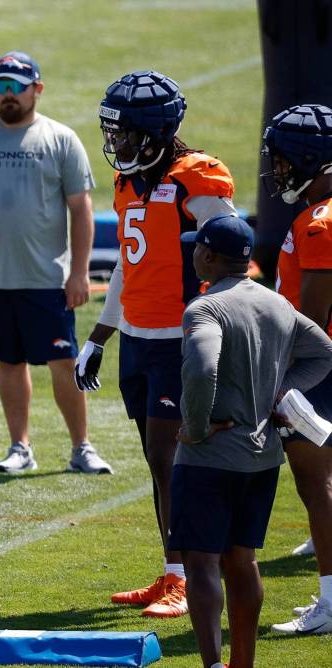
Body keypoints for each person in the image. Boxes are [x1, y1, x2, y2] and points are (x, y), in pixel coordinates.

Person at [76, 70, 238, 618]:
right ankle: (173, 571)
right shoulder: (130, 183)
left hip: (183, 339)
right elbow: (129, 260)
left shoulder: (197, 178)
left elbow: (232, 257)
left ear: (152, 131)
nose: (114, 141)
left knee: (175, 461)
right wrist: (101, 334)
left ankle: (192, 577)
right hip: (141, 338)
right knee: (157, 459)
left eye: (122, 132)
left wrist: (213, 329)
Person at [172, 214, 332, 668]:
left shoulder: (203, 308)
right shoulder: (278, 303)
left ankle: (212, 666)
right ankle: (243, 662)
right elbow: (324, 352)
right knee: (243, 559)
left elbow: (202, 369)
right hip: (262, 457)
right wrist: (281, 391)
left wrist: (197, 427)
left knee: (202, 562)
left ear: (207, 255)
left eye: (195, 247)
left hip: (210, 457)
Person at [0, 51, 109, 476]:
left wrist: (78, 271)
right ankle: (20, 447)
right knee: (9, 362)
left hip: (47, 277)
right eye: (1, 86)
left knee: (64, 362)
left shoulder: (61, 139)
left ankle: (81, 448)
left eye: (16, 86)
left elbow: (81, 209)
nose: (8, 95)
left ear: (37, 89)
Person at [261, 103, 332, 635]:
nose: (277, 171)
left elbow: (310, 318)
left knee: (316, 484)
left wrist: (277, 375)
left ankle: (330, 602)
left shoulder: (318, 222)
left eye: (284, 161)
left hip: (318, 370)